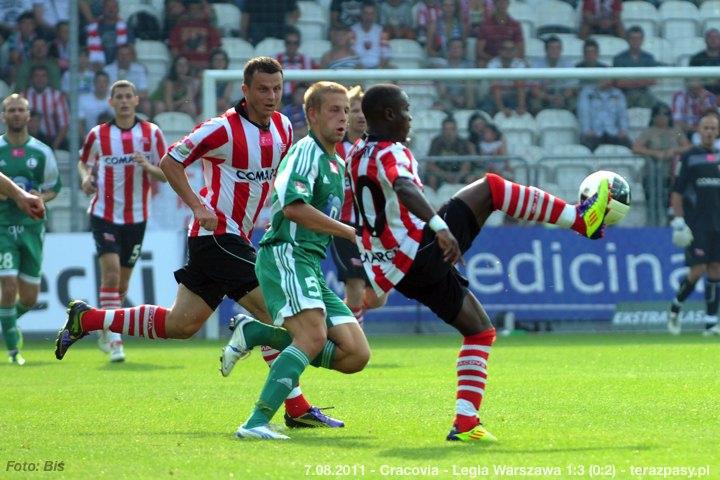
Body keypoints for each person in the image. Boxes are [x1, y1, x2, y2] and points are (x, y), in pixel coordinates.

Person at [56, 58, 343, 430]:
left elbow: (283, 184)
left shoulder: (284, 127)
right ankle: (295, 407)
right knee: (279, 316)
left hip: (235, 237)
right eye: (262, 89)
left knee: (181, 324)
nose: (271, 96)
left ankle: (87, 318)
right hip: (216, 236)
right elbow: (170, 160)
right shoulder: (222, 129)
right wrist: (196, 204)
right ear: (245, 90)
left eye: (276, 89)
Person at [346, 84, 611, 442]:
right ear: (389, 115)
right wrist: (439, 228)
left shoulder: (356, 154)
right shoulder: (393, 152)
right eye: (406, 111)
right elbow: (405, 188)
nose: (411, 119)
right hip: (419, 250)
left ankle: (466, 422)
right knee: (492, 188)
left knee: (480, 331)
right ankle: (581, 220)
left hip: (400, 270)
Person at [229, 81, 370, 440]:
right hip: (286, 256)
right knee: (310, 338)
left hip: (310, 263)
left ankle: (257, 332)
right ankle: (255, 423)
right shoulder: (306, 152)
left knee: (356, 354)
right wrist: (349, 231)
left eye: (346, 111)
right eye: (333, 110)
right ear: (312, 115)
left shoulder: (336, 161)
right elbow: (293, 207)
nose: (343, 118)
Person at [73, 79, 168, 362]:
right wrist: (86, 179)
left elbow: (168, 172)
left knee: (122, 285)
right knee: (111, 274)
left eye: (129, 96)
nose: (124, 101)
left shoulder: (151, 133)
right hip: (104, 213)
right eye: (119, 97)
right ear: (111, 102)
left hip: (137, 218)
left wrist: (149, 167)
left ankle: (105, 324)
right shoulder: (98, 134)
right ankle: (115, 341)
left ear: (136, 100)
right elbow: (83, 162)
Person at [0, 94, 60, 366]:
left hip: (32, 228)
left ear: (28, 116)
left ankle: (7, 319)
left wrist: (39, 197)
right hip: (2, 226)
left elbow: (54, 188)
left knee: (30, 297)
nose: (15, 114)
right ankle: (13, 349)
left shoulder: (42, 152)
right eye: (10, 110)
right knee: (8, 285)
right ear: (4, 116)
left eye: (20, 110)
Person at [332, 86, 385, 328]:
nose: (361, 115)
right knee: (354, 284)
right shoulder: (333, 148)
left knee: (377, 298)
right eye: (355, 110)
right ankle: (355, 343)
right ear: (346, 114)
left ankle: (331, 320)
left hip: (374, 229)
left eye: (365, 110)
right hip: (343, 226)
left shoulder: (380, 148)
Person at [668, 112, 720, 337]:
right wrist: (679, 220)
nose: (709, 132)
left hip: (718, 223)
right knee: (697, 270)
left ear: (717, 132)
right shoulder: (689, 157)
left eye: (713, 128)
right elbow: (677, 192)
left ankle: (710, 323)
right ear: (699, 130)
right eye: (705, 127)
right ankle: (676, 306)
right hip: (697, 223)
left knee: (716, 269)